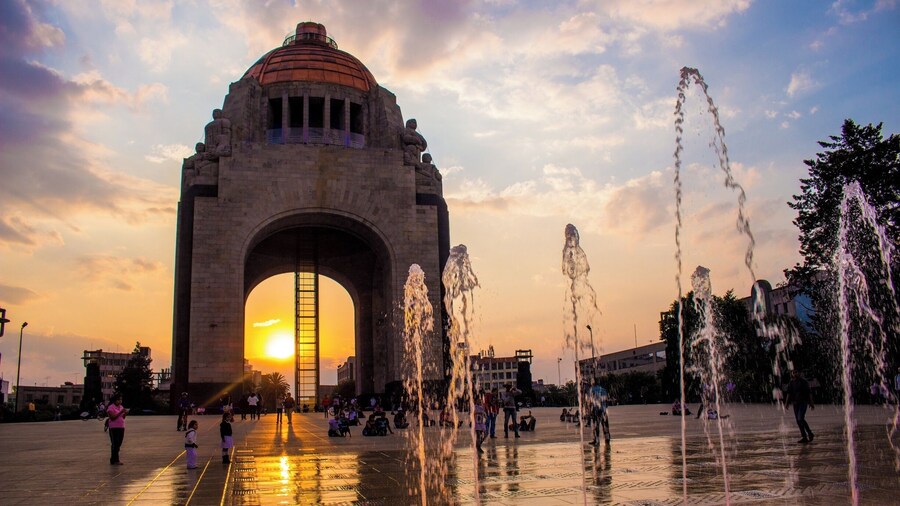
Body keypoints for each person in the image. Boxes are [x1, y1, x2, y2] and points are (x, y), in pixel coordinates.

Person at [784, 369, 815, 444]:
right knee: (798, 421)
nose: (795, 374)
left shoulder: (803, 382)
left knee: (800, 418)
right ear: (792, 374)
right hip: (795, 403)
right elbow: (789, 393)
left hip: (803, 402)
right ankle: (804, 436)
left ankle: (810, 433)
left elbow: (809, 393)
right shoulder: (791, 383)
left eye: (796, 372)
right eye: (793, 372)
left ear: (799, 373)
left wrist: (811, 402)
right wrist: (786, 403)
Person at [106, 394, 128, 465]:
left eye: (121, 400)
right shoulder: (111, 407)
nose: (120, 401)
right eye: (118, 400)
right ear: (115, 400)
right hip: (114, 427)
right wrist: (121, 412)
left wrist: (125, 413)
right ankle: (115, 460)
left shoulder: (121, 407)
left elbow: (123, 417)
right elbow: (112, 417)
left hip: (121, 427)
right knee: (115, 443)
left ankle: (114, 459)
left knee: (119, 443)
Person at [589, 381, 611, 445]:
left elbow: (591, 401)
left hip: (596, 410)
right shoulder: (603, 389)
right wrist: (605, 407)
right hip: (604, 411)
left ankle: (597, 440)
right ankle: (607, 438)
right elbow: (606, 400)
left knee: (596, 426)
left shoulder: (592, 390)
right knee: (605, 425)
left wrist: (591, 411)